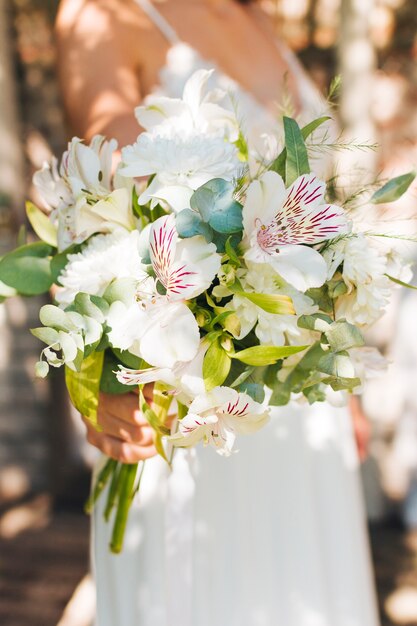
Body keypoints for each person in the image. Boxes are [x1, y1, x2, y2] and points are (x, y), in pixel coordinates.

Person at [55, 1, 380, 625]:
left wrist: (346, 369)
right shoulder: (102, 13)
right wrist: (100, 371)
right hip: (187, 384)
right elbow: (99, 218)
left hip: (302, 390)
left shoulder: (257, 17)